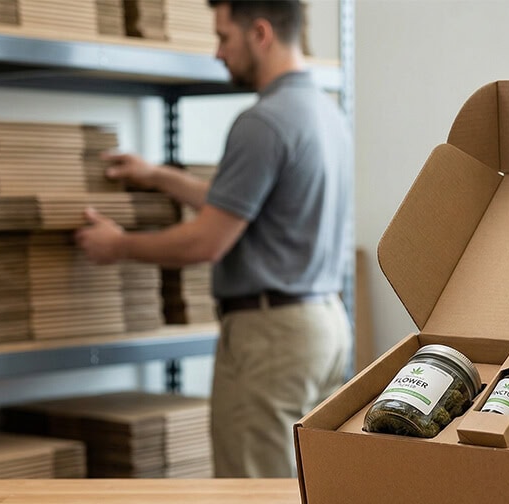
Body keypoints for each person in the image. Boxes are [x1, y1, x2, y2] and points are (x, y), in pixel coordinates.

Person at [75, 0, 352, 479]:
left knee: (253, 496)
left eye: (224, 37)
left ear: (260, 33)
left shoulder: (262, 121)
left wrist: (118, 245)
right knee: (311, 490)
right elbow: (241, 204)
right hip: (323, 323)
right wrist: (160, 177)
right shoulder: (324, 113)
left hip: (271, 337)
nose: (217, 53)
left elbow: (206, 242)